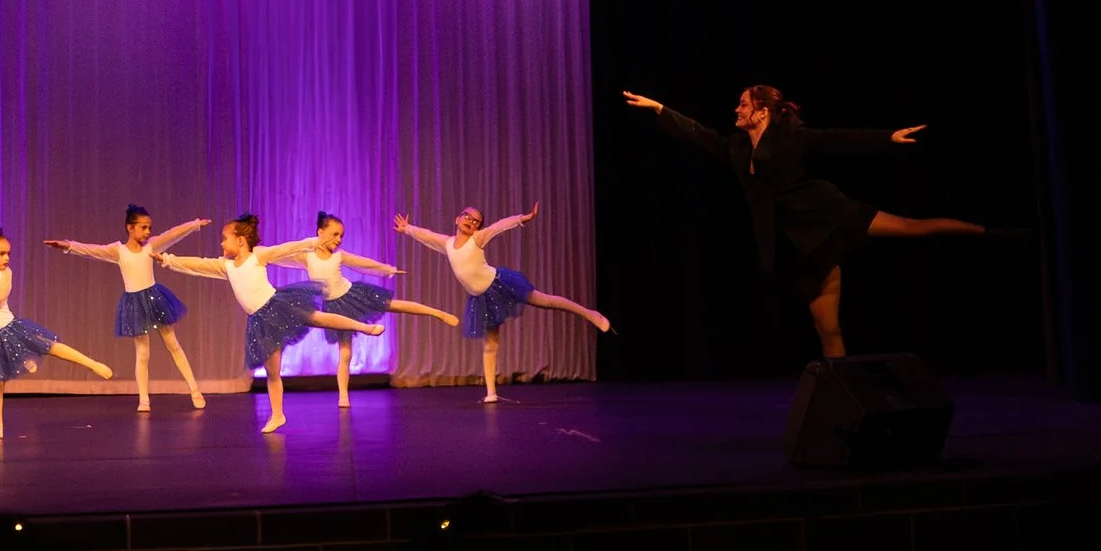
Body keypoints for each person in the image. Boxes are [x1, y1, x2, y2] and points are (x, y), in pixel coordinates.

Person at [624, 85, 983, 358]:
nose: (737, 109)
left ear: (762, 112)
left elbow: (839, 140)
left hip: (829, 216)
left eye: (744, 104)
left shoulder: (791, 138)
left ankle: (987, 232)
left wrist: (887, 138)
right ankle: (842, 390)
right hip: (803, 243)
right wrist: (659, 108)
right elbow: (699, 134)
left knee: (909, 227)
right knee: (826, 326)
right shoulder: (737, 147)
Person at [157, 214, 384, 432]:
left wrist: (313, 242)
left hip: (277, 306)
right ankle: (277, 415)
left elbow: (286, 248)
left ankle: (363, 327)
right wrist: (168, 260)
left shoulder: (258, 255)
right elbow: (198, 265)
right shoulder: (226, 265)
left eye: (225, 238)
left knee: (316, 318)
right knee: (272, 372)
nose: (221, 243)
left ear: (240, 240)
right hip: (260, 322)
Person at [393, 203, 608, 402]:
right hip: (482, 298)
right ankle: (491, 392)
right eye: (467, 216)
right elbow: (428, 236)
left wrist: (522, 218)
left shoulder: (478, 238)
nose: (471, 221)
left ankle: (590, 314)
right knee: (491, 343)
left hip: (500, 284)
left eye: (476, 221)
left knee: (544, 300)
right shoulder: (447, 243)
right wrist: (408, 229)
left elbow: (499, 226)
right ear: (457, 219)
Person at [266, 211, 459, 406]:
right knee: (345, 352)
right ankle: (343, 396)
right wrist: (262, 257)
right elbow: (282, 255)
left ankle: (438, 313)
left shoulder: (339, 256)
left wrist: (387, 269)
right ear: (320, 232)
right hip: (334, 307)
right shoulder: (307, 257)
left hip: (353, 295)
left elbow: (364, 264)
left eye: (341, 235)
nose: (339, 239)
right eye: (335, 234)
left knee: (393, 305)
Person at [0, 224, 114, 439]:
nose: (7, 258)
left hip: (10, 329)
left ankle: (92, 364)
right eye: (2, 253)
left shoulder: (5, 274)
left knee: (49, 346)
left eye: (8, 253)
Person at [43, 205, 211, 412]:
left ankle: (195, 390)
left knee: (173, 344)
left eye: (149, 227)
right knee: (143, 353)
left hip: (154, 298)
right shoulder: (118, 251)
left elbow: (172, 234)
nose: (148, 231)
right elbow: (92, 250)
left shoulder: (151, 246)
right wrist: (67, 245)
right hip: (135, 303)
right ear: (130, 228)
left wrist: (195, 225)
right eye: (143, 227)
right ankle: (144, 399)